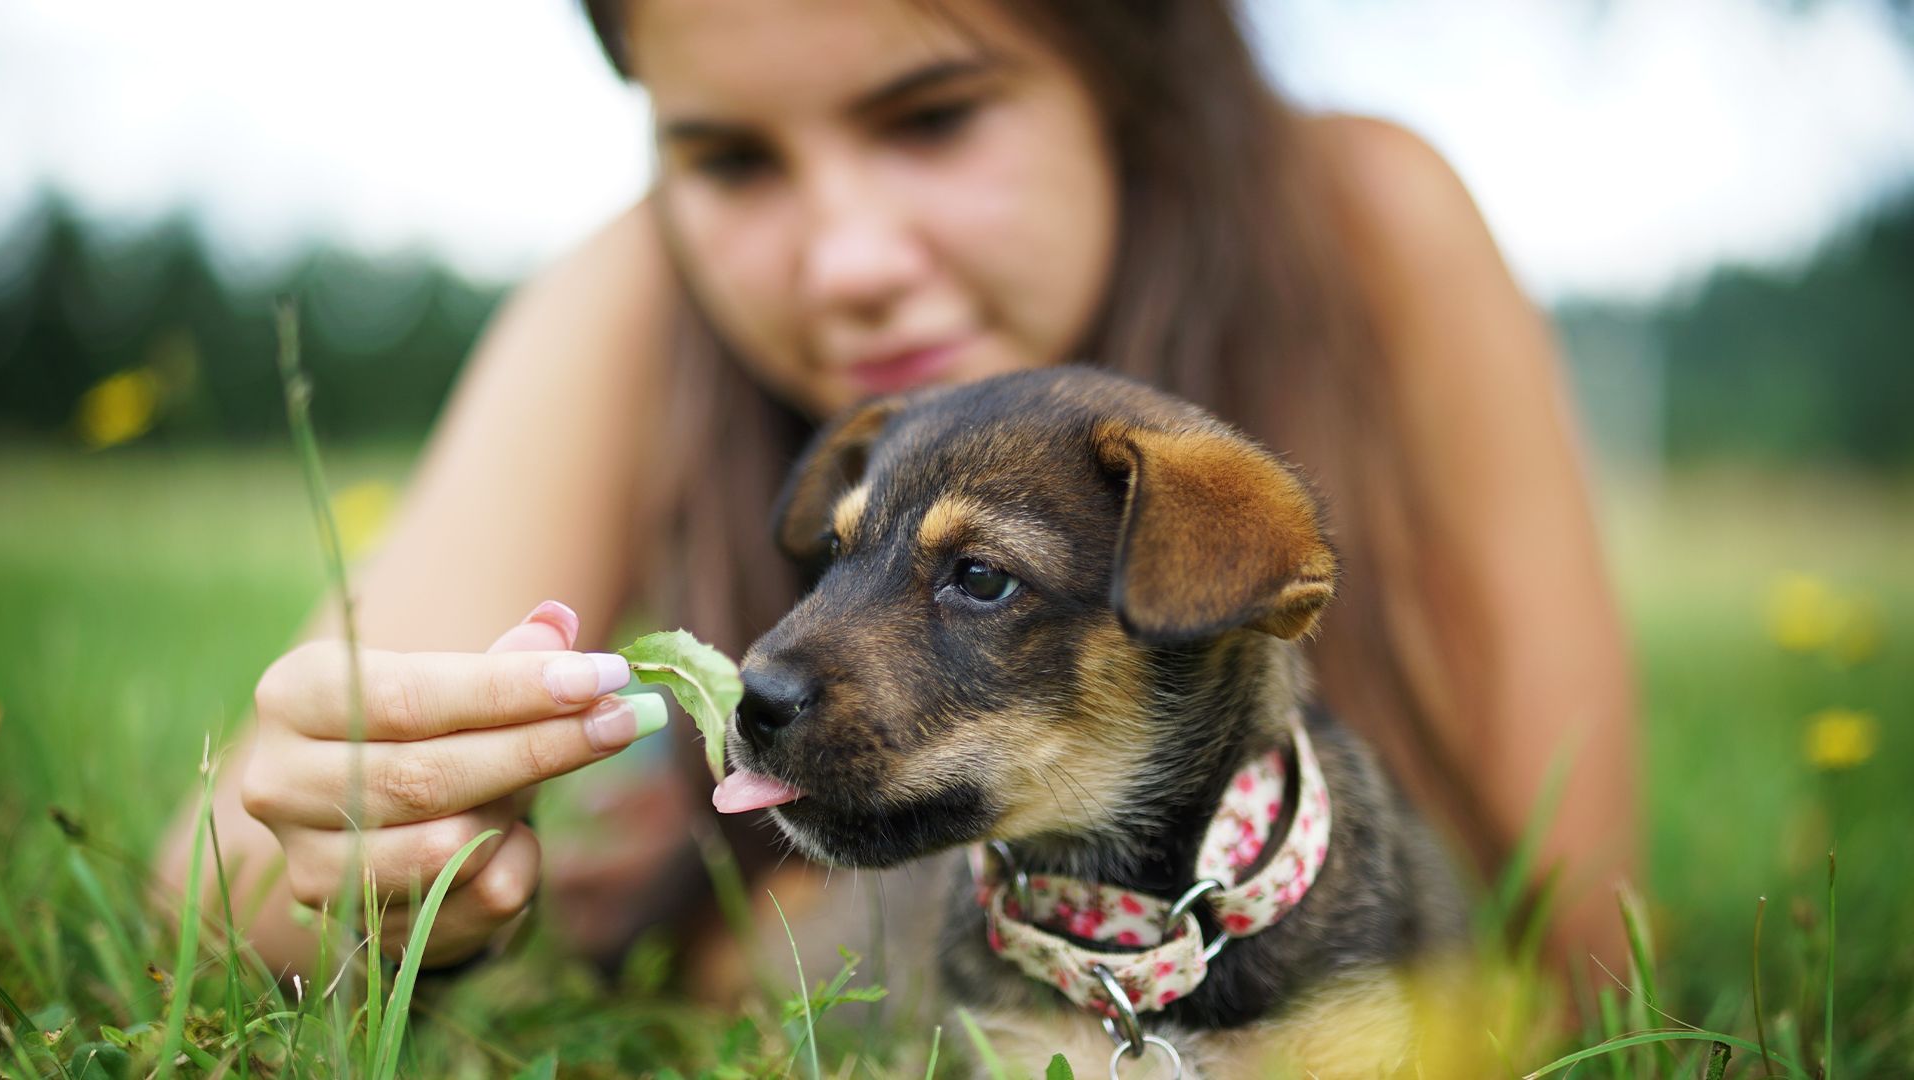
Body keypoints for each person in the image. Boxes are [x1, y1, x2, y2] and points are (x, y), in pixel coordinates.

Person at [158, 0, 1635, 984]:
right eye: (731, 158)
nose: (848, 258)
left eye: (933, 116)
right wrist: (359, 838)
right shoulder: (635, 298)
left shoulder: (1363, 226)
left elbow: (1578, 948)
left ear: (1122, 71)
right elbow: (213, 894)